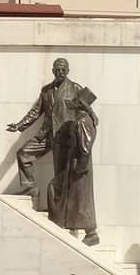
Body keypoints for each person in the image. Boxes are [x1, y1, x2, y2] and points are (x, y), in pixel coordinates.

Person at [5, 57, 99, 246]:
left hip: (67, 138)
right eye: (57, 69)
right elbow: (36, 112)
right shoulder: (46, 91)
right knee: (23, 154)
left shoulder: (75, 88)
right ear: (52, 70)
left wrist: (86, 121)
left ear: (68, 70)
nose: (60, 72)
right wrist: (19, 126)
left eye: (63, 69)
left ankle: (69, 223)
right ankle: (31, 188)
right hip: (48, 135)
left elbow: (87, 110)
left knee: (62, 179)